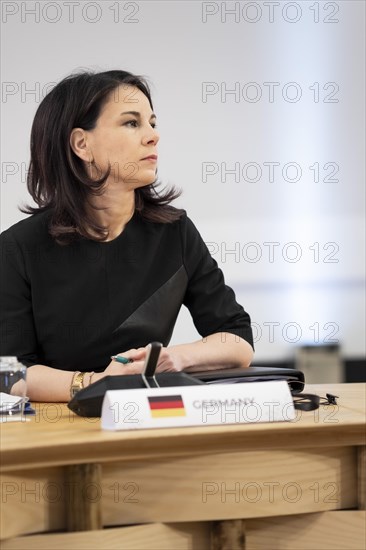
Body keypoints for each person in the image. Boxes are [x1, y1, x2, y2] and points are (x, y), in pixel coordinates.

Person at [0, 70, 254, 402]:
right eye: (131, 123)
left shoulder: (175, 231)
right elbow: (9, 374)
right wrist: (94, 381)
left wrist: (176, 357)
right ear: (82, 144)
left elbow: (237, 339)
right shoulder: (17, 248)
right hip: (56, 428)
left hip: (148, 419)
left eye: (152, 122)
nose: (152, 136)